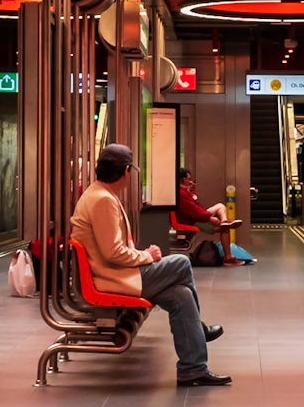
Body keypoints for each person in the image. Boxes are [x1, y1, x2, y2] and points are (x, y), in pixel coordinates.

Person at [70, 143, 230, 387]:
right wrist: (148, 256)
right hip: (113, 278)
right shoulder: (102, 200)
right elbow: (113, 253)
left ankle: (193, 369)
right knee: (181, 262)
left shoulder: (99, 194)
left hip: (115, 273)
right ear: (125, 171)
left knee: (181, 295)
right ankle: (199, 329)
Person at [175, 167, 237, 266]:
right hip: (192, 220)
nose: (190, 181)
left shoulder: (184, 191)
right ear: (183, 180)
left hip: (195, 217)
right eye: (189, 179)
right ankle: (228, 258)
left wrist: (192, 192)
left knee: (220, 206)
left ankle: (224, 220)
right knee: (224, 228)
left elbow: (196, 205)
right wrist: (210, 219)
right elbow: (194, 211)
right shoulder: (181, 194)